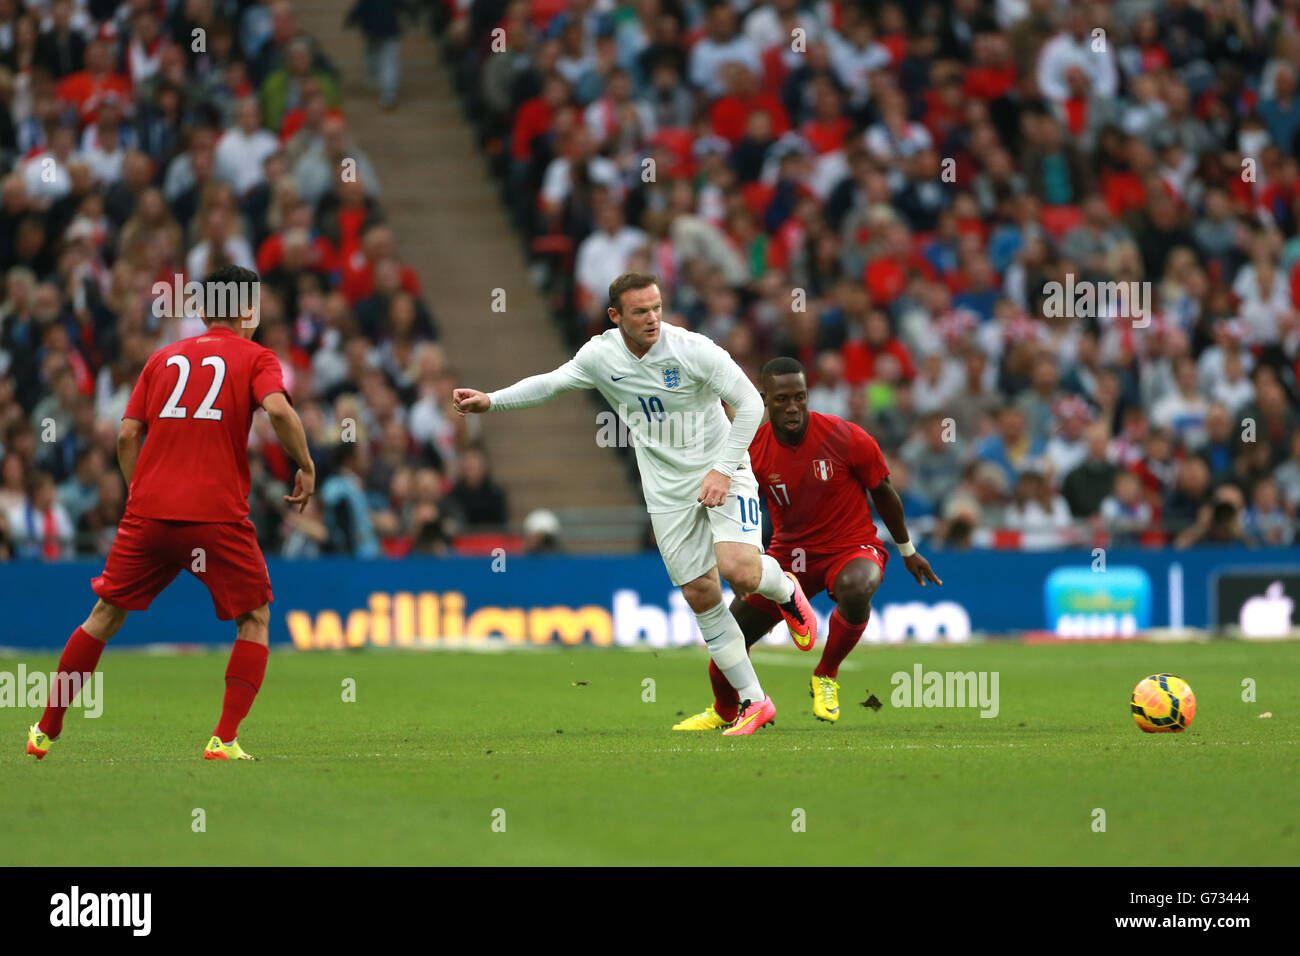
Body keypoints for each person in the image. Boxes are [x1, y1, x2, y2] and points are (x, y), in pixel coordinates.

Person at [454, 271, 818, 735]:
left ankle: (785, 589)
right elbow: (551, 383)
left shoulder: (692, 349)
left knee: (740, 571)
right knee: (699, 593)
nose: (653, 318)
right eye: (641, 311)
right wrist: (492, 401)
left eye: (658, 307)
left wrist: (724, 470)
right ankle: (755, 702)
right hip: (665, 490)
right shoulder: (600, 356)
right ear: (615, 316)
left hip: (723, 470)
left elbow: (751, 404)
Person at [27, 265, 316, 763]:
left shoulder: (162, 359)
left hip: (150, 514)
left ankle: (44, 731)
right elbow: (281, 411)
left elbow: (125, 436)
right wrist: (306, 466)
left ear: (203, 311)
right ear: (250, 310)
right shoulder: (257, 357)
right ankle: (223, 739)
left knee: (105, 614)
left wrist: (141, 491)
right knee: (254, 618)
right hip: (216, 515)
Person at [674, 357, 940, 730]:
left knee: (857, 588)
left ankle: (826, 675)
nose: (793, 407)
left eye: (800, 397)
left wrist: (907, 550)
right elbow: (733, 505)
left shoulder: (845, 437)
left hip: (850, 548)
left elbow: (883, 492)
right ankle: (723, 709)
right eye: (782, 399)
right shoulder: (751, 449)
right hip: (789, 558)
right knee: (728, 643)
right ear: (765, 400)